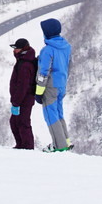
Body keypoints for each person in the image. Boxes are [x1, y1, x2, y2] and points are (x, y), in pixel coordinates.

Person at [35, 18, 73, 152]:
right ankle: (66, 141)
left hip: (49, 87)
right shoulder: (67, 47)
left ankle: (59, 145)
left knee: (51, 116)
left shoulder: (47, 50)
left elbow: (43, 72)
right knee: (59, 114)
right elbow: (69, 67)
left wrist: (39, 92)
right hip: (61, 85)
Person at [8, 38, 37, 150]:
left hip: (24, 98)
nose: (14, 51)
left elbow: (23, 85)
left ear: (22, 49)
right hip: (22, 98)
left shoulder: (25, 64)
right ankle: (21, 145)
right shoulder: (23, 61)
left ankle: (27, 147)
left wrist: (16, 102)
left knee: (23, 122)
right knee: (15, 121)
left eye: (16, 48)